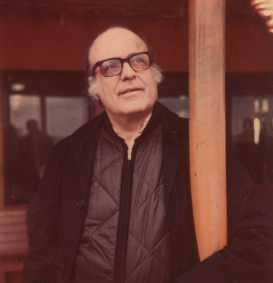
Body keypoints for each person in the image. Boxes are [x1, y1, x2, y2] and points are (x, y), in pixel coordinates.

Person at [24, 26, 273, 283]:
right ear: (94, 87)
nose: (129, 74)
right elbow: (41, 259)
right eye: (110, 66)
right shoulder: (66, 156)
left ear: (154, 74)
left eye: (138, 61)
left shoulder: (203, 145)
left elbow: (261, 238)